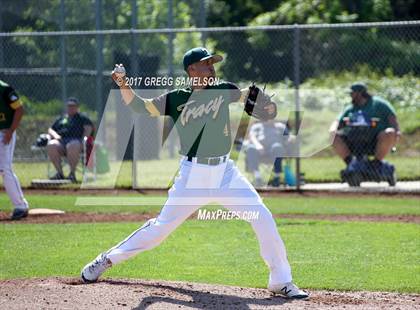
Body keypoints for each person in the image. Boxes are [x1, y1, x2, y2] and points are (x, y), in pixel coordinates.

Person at [81, 47, 309, 299]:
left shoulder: (224, 90)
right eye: (206, 63)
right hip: (193, 176)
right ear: (191, 70)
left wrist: (267, 108)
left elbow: (251, 99)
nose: (212, 67)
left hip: (225, 173)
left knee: (262, 217)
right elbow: (141, 107)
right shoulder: (177, 98)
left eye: (213, 63)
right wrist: (123, 83)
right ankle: (105, 260)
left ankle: (281, 280)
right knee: (159, 230)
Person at [330, 82, 400, 177]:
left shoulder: (378, 104)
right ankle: (352, 164)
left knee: (389, 132)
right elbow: (338, 121)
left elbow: (392, 119)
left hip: (375, 141)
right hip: (354, 141)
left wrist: (397, 132)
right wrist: (333, 129)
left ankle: (376, 165)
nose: (351, 96)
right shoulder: (350, 108)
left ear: (360, 93)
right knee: (334, 136)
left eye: (352, 93)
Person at [0, 79, 29, 220]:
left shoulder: (4, 89)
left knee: (5, 169)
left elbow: (19, 109)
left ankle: (21, 206)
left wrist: (11, 131)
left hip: (4, 132)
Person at [47, 97, 93, 183]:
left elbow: (89, 128)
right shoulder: (62, 118)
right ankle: (60, 174)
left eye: (73, 106)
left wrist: (83, 140)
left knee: (72, 145)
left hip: (76, 142)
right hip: (61, 141)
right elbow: (51, 129)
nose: (70, 108)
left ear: (77, 107)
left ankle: (72, 174)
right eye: (69, 106)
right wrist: (55, 135)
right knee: (51, 145)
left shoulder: (82, 118)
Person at [246, 120, 293, 187]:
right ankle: (258, 178)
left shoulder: (281, 126)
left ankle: (277, 178)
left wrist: (289, 140)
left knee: (277, 147)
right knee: (251, 148)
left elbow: (288, 137)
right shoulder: (256, 126)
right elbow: (252, 137)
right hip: (259, 151)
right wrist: (258, 145)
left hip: (275, 151)